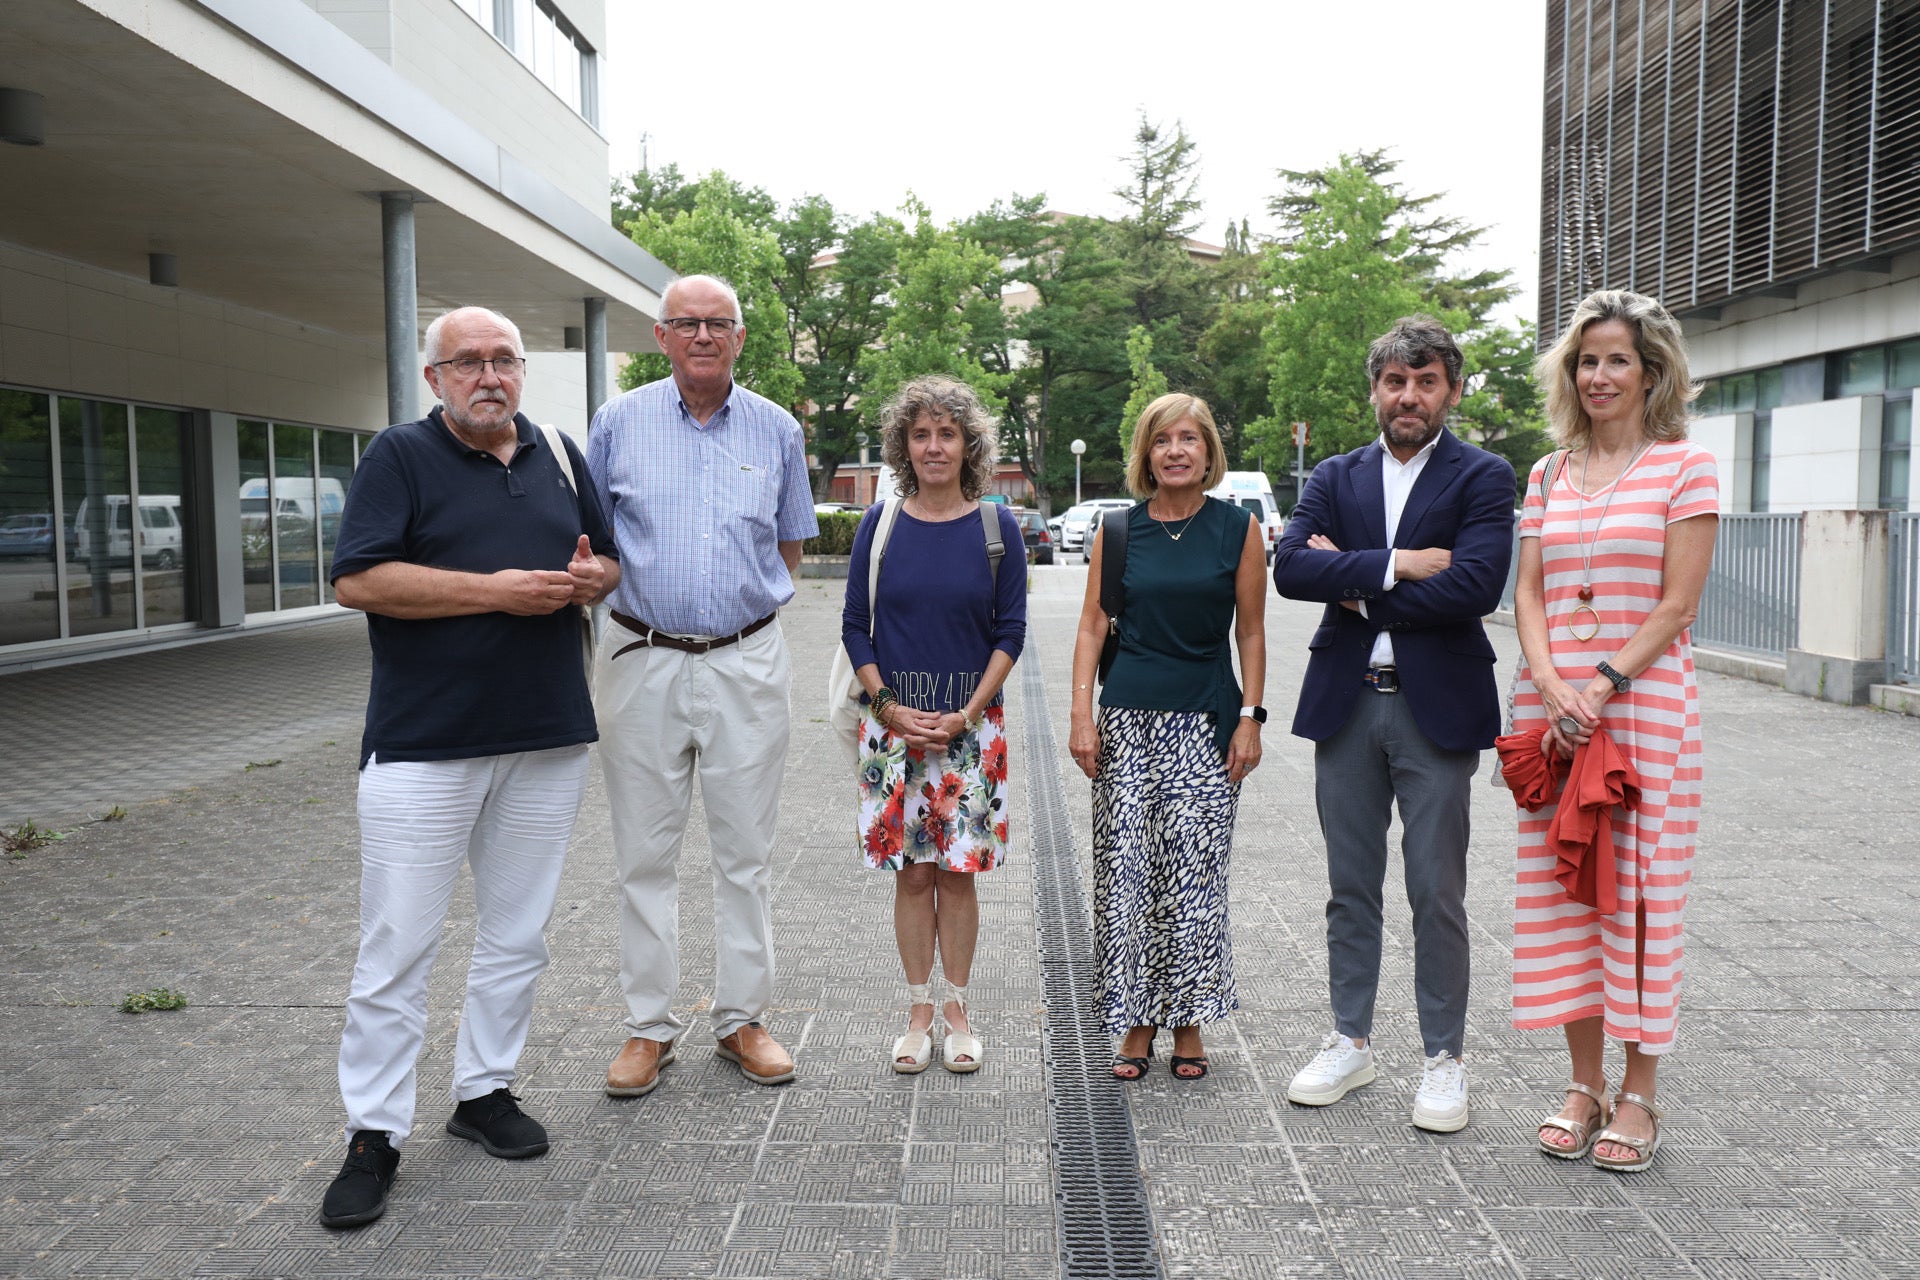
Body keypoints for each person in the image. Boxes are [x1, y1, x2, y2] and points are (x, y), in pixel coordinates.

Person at [318, 306, 619, 1228]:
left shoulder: (561, 454)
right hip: (423, 743)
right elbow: (359, 579)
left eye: (504, 360)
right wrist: (494, 593)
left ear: (522, 371)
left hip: (545, 733)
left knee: (517, 933)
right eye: (468, 362)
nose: (489, 375)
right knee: (398, 945)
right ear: (436, 377)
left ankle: (483, 1091)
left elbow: (607, 560)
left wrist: (593, 579)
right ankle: (374, 1132)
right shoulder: (399, 458)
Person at [1271, 315, 1515, 1132]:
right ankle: (1351, 1040)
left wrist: (1355, 581)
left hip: (1435, 708)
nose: (1408, 396)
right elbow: (1291, 567)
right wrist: (1401, 566)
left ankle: (1444, 1059)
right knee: (1350, 887)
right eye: (1394, 381)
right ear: (1375, 389)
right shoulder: (1336, 475)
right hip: (1346, 702)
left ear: (1450, 389)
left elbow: (1476, 587)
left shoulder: (1483, 476)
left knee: (1434, 889)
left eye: (1426, 381)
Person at [587, 274, 818, 1098]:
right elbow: (599, 542)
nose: (703, 336)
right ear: (660, 336)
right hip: (639, 655)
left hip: (745, 659)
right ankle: (648, 1027)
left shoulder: (778, 430)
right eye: (686, 323)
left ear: (741, 338)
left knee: (744, 852)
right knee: (642, 851)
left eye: (719, 323)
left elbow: (789, 550)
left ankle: (742, 1019)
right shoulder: (616, 424)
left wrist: (731, 617)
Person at [1513, 290, 1718, 1172]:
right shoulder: (1547, 473)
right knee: (1565, 897)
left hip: (1644, 707)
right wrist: (1555, 685)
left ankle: (1640, 1093)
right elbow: (1528, 594)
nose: (1599, 375)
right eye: (1587, 360)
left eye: (1617, 360)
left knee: (1637, 896)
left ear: (1652, 371)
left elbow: (1678, 604)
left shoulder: (1686, 467)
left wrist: (1595, 686)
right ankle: (1582, 1084)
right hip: (1550, 709)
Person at [1068, 393, 1267, 1082]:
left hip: (1207, 722)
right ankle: (1135, 1020)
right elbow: (1093, 627)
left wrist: (1251, 717)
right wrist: (1079, 715)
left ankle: (1187, 1023)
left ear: (1209, 452)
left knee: (1193, 879)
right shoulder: (1119, 531)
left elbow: (1251, 631)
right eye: (1162, 441)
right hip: (1125, 721)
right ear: (1145, 455)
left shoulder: (1238, 529)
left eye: (1189, 439)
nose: (1176, 451)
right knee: (1127, 876)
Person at [841, 377, 1027, 1074]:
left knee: (957, 876)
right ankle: (917, 1009)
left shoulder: (995, 526)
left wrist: (968, 714)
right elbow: (854, 626)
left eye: (947, 433)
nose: (934, 446)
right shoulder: (881, 524)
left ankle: (957, 1010)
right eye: (921, 434)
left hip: (971, 732)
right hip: (893, 731)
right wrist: (887, 706)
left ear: (968, 443)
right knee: (912, 877)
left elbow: (1011, 630)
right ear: (903, 446)